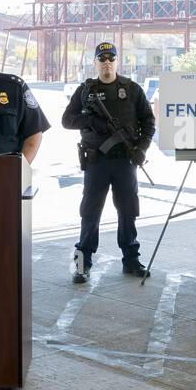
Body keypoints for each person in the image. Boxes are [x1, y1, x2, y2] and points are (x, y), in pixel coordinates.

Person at [61, 42, 155, 283]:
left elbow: (149, 122)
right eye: (102, 59)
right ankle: (82, 264)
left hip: (125, 161)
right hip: (96, 161)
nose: (107, 63)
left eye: (111, 59)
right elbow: (67, 120)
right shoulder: (86, 90)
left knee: (128, 211)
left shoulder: (132, 89)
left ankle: (131, 260)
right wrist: (91, 121)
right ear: (95, 63)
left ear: (116, 61)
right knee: (90, 213)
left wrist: (141, 149)